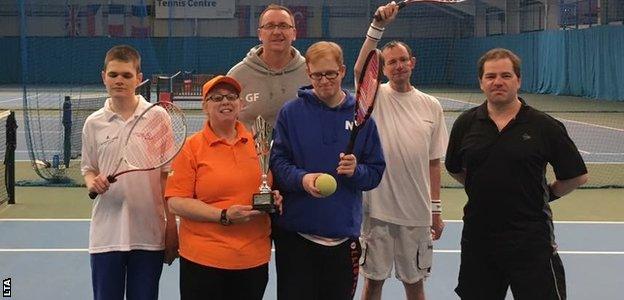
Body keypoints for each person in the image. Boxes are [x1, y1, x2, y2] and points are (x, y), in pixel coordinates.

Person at [445, 48, 588, 300]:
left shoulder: (544, 126)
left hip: (531, 240)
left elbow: (576, 175)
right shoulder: (465, 124)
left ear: (518, 80)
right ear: (481, 82)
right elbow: (455, 168)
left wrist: (546, 195)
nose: (497, 82)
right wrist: (482, 188)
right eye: (490, 76)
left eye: (505, 75)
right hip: (479, 241)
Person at [270, 41, 386, 300]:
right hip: (295, 237)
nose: (324, 81)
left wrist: (357, 171)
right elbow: (277, 164)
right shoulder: (290, 113)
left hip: (343, 239)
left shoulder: (362, 117)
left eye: (330, 73)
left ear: (342, 71)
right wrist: (303, 179)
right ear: (308, 74)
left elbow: (376, 171)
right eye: (317, 75)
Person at [354, 3, 449, 300]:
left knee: (415, 285)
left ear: (412, 63)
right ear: (383, 69)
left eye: (402, 60)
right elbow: (359, 68)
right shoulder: (374, 97)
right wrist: (377, 26)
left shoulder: (431, 105)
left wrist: (436, 210)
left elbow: (434, 163)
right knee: (373, 284)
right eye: (391, 62)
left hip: (417, 213)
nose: (397, 66)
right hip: (376, 211)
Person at [165, 75, 283, 300]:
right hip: (203, 260)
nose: (225, 102)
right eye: (216, 98)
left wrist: (274, 197)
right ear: (205, 106)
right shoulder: (191, 148)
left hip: (253, 259)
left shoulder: (259, 144)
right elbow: (176, 202)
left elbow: (264, 189)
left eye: (231, 97)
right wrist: (223, 215)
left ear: (241, 104)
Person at [81, 45, 178, 300]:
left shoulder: (158, 117)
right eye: (113, 75)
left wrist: (171, 228)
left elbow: (166, 177)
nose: (119, 81)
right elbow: (88, 169)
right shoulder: (93, 123)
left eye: (126, 75)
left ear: (138, 77)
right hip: (106, 235)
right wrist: (93, 183)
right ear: (104, 77)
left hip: (149, 234)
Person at [227, 4, 310, 128]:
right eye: (269, 26)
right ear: (260, 34)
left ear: (294, 33)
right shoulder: (236, 76)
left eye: (283, 26)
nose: (277, 32)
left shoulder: (311, 73)